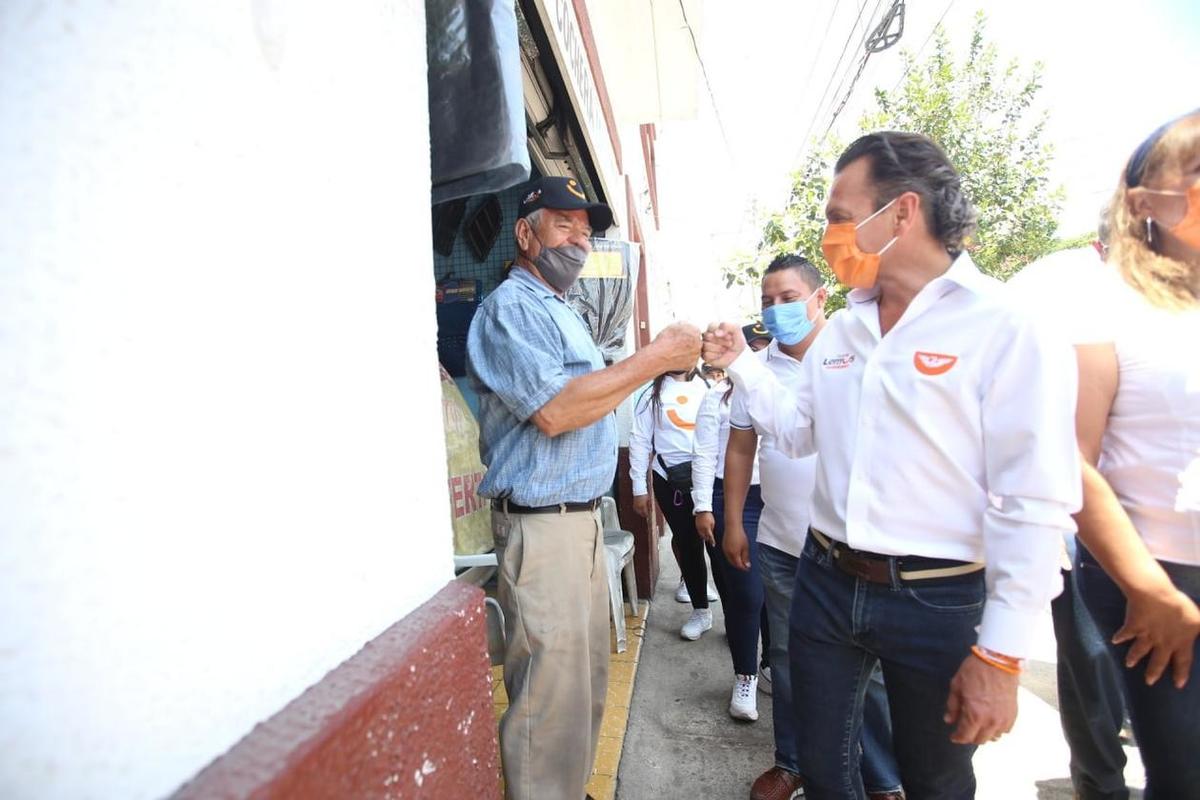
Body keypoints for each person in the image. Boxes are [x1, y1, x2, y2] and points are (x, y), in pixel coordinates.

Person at [703, 132, 1081, 799]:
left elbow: (1035, 501)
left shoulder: (1005, 327)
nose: (828, 237)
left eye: (840, 218)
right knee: (823, 768)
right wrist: (740, 365)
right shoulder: (845, 330)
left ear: (902, 213)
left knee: (934, 778)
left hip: (937, 596)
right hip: (825, 578)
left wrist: (1001, 653)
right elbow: (793, 435)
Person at [466, 175, 701, 800]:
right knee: (548, 700)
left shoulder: (562, 312)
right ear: (526, 233)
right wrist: (653, 357)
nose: (580, 238)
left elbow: (599, 399)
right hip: (542, 530)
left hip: (581, 523)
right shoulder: (510, 310)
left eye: (587, 229)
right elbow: (557, 411)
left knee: (584, 684)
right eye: (564, 224)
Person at [722, 254, 902, 800]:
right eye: (768, 301)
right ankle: (792, 763)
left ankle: (885, 780)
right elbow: (741, 445)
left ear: (820, 298)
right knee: (788, 660)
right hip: (782, 541)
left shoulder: (853, 353)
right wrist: (734, 520)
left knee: (866, 671)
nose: (777, 310)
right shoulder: (759, 366)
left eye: (789, 298)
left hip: (852, 548)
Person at [1065, 110, 1200, 798]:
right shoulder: (1104, 301)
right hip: (1158, 584)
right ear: (1145, 202)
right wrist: (1149, 591)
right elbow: (1073, 461)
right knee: (1182, 775)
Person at [1007, 215, 1131, 800]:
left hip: (1169, 518)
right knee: (1092, 661)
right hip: (1081, 511)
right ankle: (1100, 783)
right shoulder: (1053, 285)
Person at [691, 364, 765, 719]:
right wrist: (703, 506)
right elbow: (704, 453)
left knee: (777, 593)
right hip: (734, 497)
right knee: (745, 592)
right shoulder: (716, 397)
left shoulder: (780, 391)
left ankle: (770, 666)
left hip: (780, 497)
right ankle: (745, 676)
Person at [630, 367, 719, 640]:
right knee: (689, 544)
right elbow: (640, 441)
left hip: (710, 478)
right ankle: (701, 611)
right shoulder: (651, 395)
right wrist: (638, 488)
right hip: (670, 481)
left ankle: (737, 614)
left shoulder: (709, 389)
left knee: (719, 549)